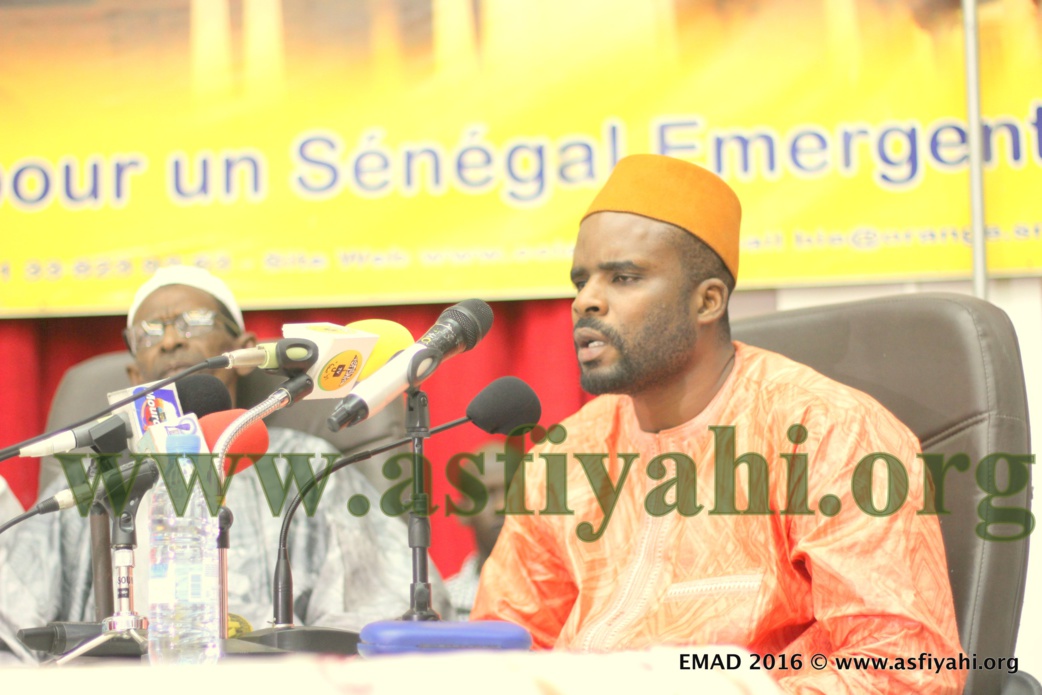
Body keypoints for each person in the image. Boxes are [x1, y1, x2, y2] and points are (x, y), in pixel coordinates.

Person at [471, 155, 965, 692]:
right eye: (581, 280)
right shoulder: (566, 456)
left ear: (707, 301)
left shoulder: (829, 434)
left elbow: (906, 665)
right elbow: (501, 651)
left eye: (624, 278)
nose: (585, 301)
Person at [0, 266, 449, 663]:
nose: (171, 340)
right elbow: (15, 626)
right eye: (149, 333)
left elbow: (380, 614)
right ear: (135, 375)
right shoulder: (95, 480)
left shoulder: (309, 468)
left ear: (244, 350)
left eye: (194, 321)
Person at [443, 440, 513, 620]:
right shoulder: (444, 607)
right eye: (486, 494)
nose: (501, 505)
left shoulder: (566, 595)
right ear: (463, 511)